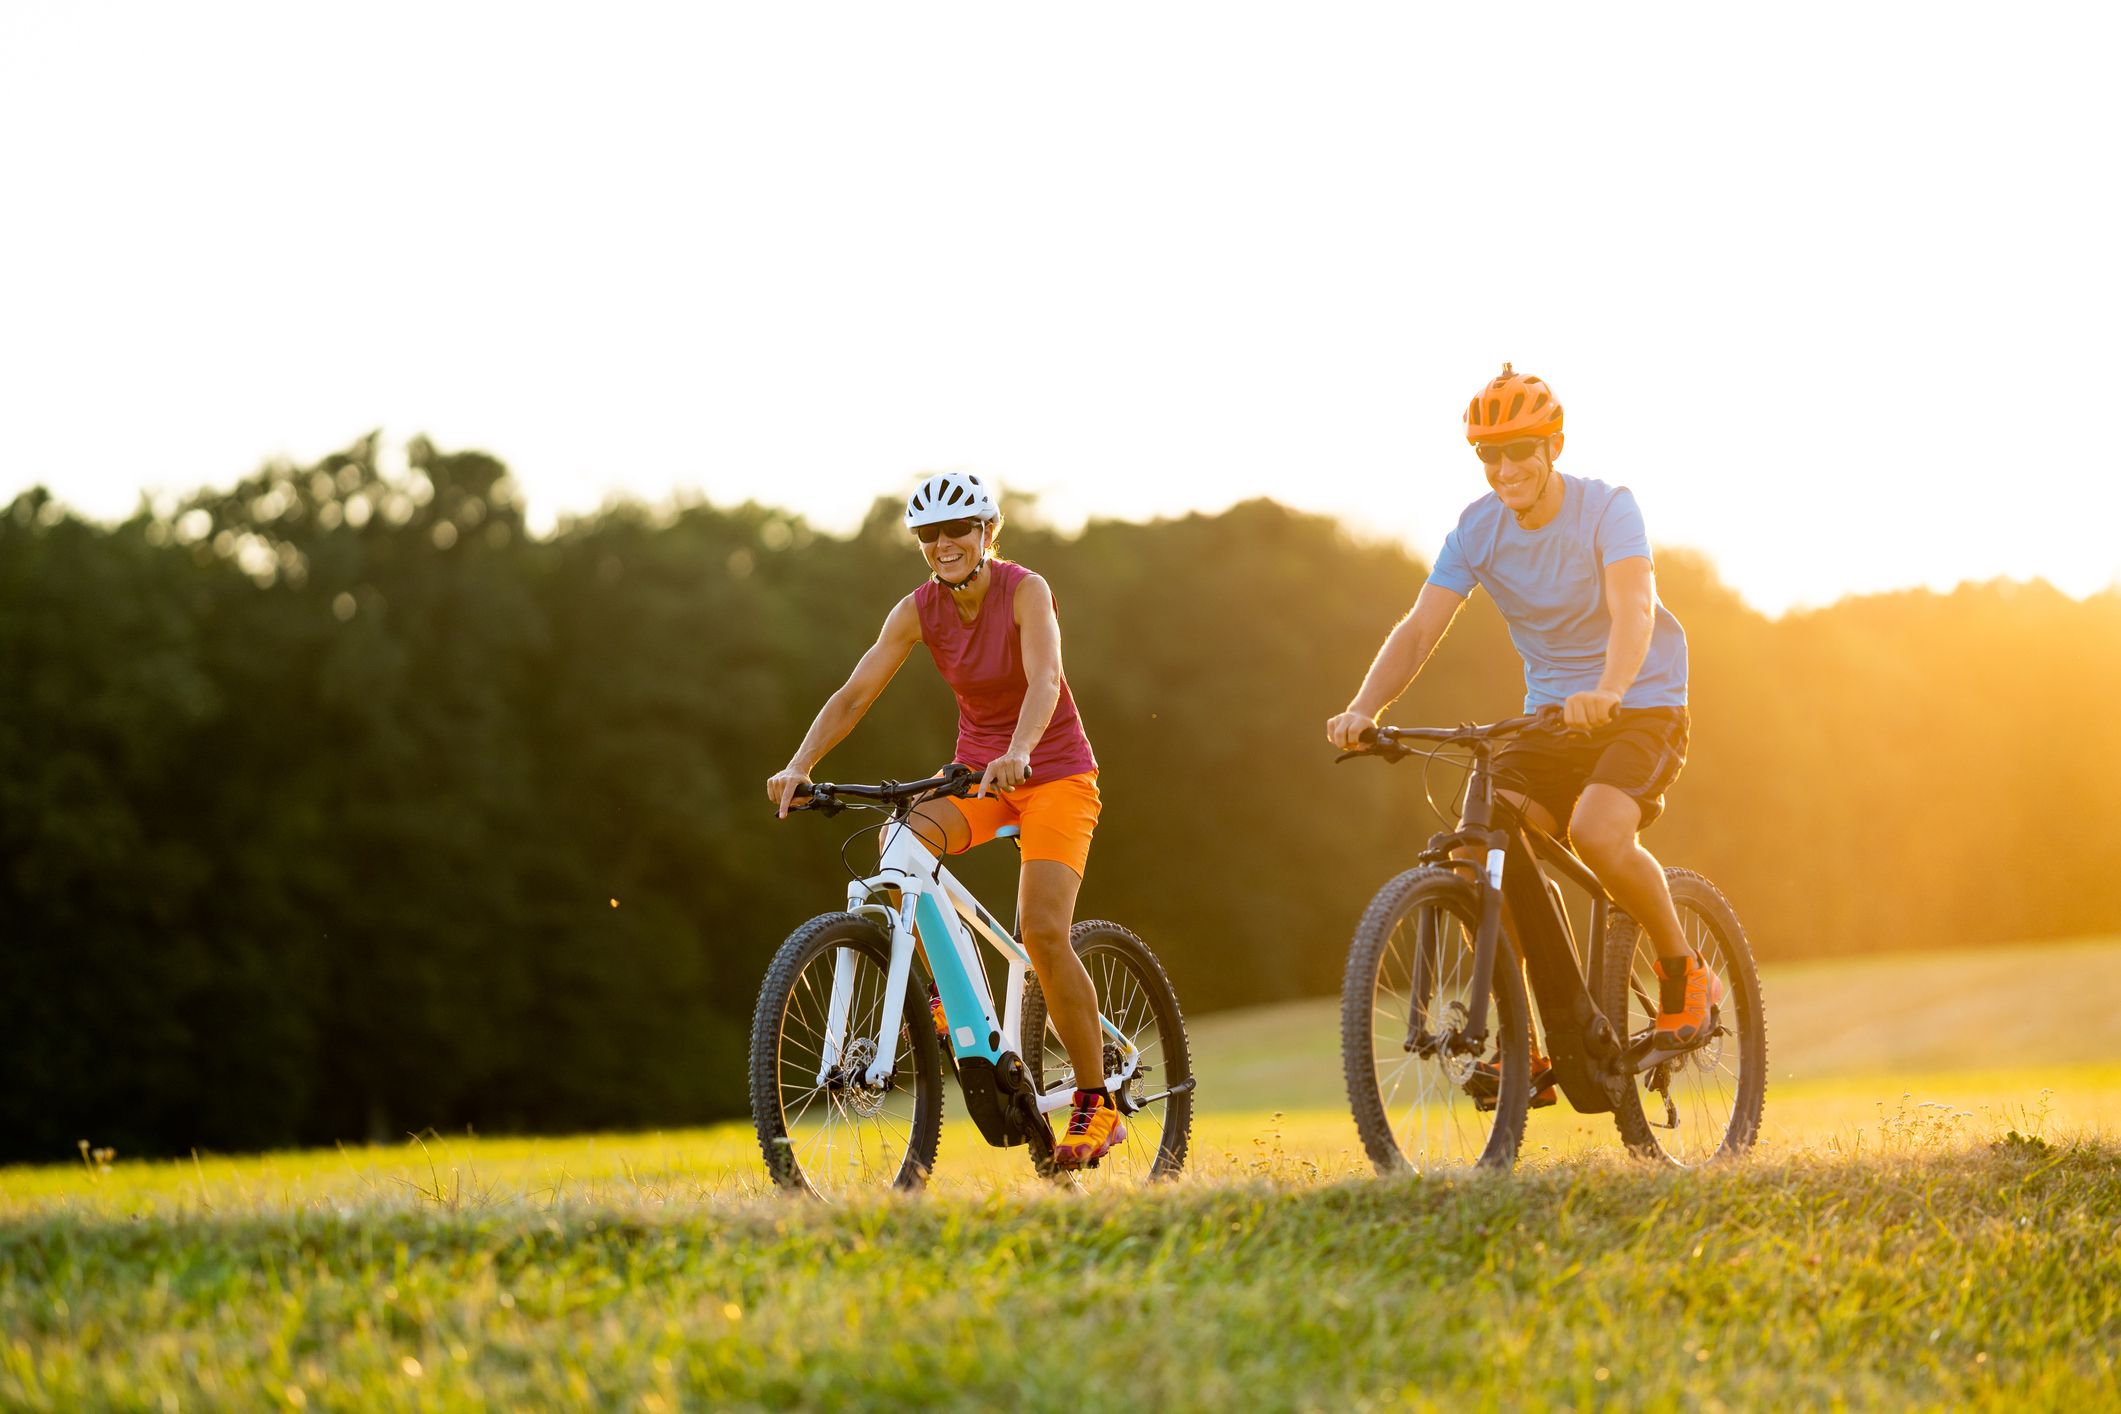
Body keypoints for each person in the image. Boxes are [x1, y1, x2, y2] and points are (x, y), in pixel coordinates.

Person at [1325, 364, 1720, 1073]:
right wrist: (1363, 708)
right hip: (1549, 720)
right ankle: (1522, 1044)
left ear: (1554, 447)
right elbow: (1418, 628)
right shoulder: (1475, 532)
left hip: (1641, 702)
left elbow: (1632, 605)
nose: (1504, 468)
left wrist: (1608, 687)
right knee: (1476, 852)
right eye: (1489, 454)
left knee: (1597, 831)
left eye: (1519, 451)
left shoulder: (1607, 509)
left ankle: (1683, 970)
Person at [766, 472, 1123, 1168]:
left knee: (1044, 932)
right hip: (974, 779)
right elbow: (854, 693)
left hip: (1053, 775)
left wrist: (1019, 751)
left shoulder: (1026, 589)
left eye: (957, 530)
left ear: (987, 532)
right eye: (929, 535)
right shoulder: (918, 610)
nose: (943, 544)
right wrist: (800, 763)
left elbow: (1045, 678)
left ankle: (1093, 1099)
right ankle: (942, 992)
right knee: (897, 843)